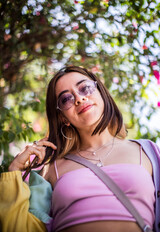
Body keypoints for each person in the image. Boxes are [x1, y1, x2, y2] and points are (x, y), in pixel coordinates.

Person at [0, 65, 160, 232]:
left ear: (101, 94)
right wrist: (14, 171)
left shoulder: (148, 152)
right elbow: (19, 227)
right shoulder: (50, 168)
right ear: (63, 117)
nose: (79, 98)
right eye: (66, 99)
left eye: (85, 88)